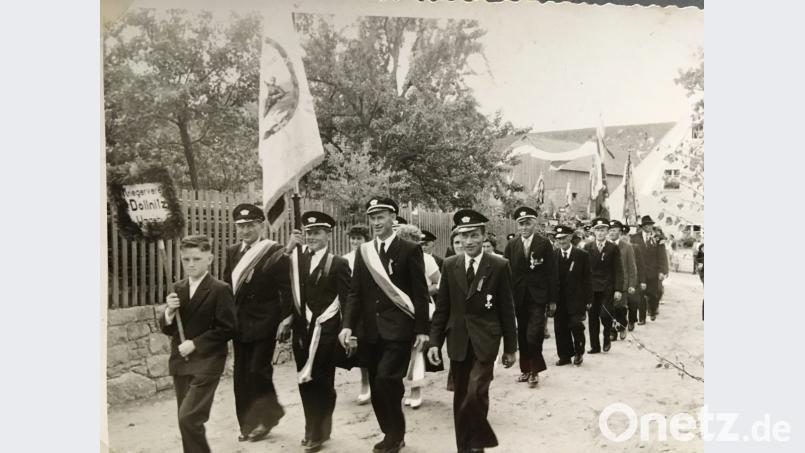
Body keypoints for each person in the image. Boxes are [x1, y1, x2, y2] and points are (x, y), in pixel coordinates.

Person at [338, 196, 429, 453]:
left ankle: (395, 432)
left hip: (399, 329)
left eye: (381, 217)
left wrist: (422, 329)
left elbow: (420, 292)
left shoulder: (409, 249)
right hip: (369, 331)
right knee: (379, 384)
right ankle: (390, 433)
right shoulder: (364, 251)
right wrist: (347, 326)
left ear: (393, 219)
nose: (376, 223)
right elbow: (355, 293)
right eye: (373, 218)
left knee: (386, 380)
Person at [427, 209, 517, 453]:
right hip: (456, 340)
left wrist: (511, 348)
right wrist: (434, 343)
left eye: (474, 235)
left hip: (486, 340)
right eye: (464, 236)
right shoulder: (449, 265)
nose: (468, 241)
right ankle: (467, 448)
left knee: (475, 391)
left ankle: (478, 442)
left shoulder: (498, 265)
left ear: (483, 235)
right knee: (461, 398)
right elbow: (442, 309)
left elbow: (507, 310)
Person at [160, 235, 237, 453]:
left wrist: (196, 343)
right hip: (181, 363)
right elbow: (168, 327)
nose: (191, 264)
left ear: (210, 258)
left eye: (196, 258)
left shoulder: (220, 289)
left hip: (207, 362)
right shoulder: (177, 287)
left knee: (189, 418)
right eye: (186, 259)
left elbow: (228, 328)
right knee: (187, 421)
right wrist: (169, 312)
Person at [282, 211, 351, 452]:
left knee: (322, 382)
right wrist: (289, 248)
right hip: (302, 331)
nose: (312, 237)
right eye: (308, 233)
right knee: (304, 381)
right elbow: (278, 278)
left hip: (327, 331)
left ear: (328, 235)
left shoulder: (338, 263)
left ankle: (319, 431)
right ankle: (310, 427)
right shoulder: (297, 260)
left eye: (317, 233)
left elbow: (347, 299)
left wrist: (346, 330)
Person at [225, 204, 293, 442]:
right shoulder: (232, 251)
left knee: (258, 371)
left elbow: (286, 288)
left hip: (266, 320)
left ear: (261, 225)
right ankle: (248, 423)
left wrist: (287, 318)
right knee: (241, 375)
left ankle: (269, 416)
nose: (245, 231)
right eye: (241, 226)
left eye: (250, 225)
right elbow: (227, 288)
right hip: (239, 322)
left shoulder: (274, 251)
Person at [503, 206, 558, 387]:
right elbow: (506, 273)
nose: (524, 228)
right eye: (521, 224)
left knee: (533, 335)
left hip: (538, 297)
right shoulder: (512, 245)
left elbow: (552, 273)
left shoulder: (544, 244)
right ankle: (525, 370)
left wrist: (552, 300)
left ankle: (535, 371)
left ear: (534, 224)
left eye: (527, 223)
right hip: (518, 297)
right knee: (522, 335)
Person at [397, 224, 443, 409]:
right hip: (398, 310)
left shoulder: (427, 259)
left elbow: (439, 283)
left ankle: (416, 391)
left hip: (421, 309)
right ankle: (399, 390)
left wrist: (422, 293)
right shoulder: (394, 259)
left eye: (413, 241)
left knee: (417, 350)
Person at [342, 224, 374, 405]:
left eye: (359, 238)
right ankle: (364, 384)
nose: (355, 241)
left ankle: (378, 383)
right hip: (353, 308)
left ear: (365, 240)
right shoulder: (345, 259)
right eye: (352, 238)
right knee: (359, 346)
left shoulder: (370, 257)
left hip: (369, 308)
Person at [552, 225, 592, 366]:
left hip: (577, 299)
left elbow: (588, 279)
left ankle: (579, 352)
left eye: (563, 238)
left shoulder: (581, 255)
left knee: (576, 325)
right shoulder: (553, 255)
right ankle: (564, 355)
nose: (561, 241)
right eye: (558, 239)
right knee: (560, 327)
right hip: (559, 299)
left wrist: (588, 299)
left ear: (570, 237)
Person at [582, 218, 623, 353]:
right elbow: (584, 271)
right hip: (592, 289)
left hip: (607, 288)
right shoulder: (588, 247)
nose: (600, 233)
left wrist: (618, 289)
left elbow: (618, 269)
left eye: (603, 230)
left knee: (606, 315)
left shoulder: (613, 248)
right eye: (598, 230)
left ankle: (606, 337)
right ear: (593, 231)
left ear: (607, 231)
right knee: (593, 317)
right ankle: (595, 346)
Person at [630, 216, 668, 322]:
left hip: (653, 271)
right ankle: (641, 318)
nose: (649, 227)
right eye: (646, 225)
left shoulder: (658, 238)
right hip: (639, 271)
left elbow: (662, 256)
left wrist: (662, 271)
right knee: (640, 295)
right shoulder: (634, 238)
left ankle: (652, 309)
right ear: (642, 227)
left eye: (650, 225)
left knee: (653, 293)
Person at [608, 220, 638, 340]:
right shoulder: (605, 245)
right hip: (608, 283)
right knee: (610, 308)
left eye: (614, 230)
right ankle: (612, 331)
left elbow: (632, 267)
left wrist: (632, 284)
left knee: (620, 308)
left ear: (620, 232)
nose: (611, 233)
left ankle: (622, 326)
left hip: (623, 284)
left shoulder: (627, 247)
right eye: (610, 230)